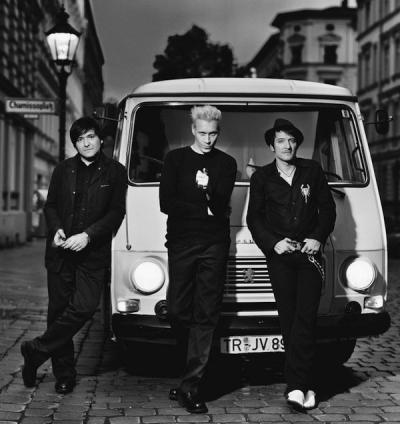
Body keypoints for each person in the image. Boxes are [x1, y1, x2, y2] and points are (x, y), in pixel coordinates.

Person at [20, 117, 127, 394]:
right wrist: (56, 229)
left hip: (92, 254)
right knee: (58, 312)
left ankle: (36, 350)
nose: (86, 143)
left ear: (100, 139)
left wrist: (88, 236)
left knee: (85, 307)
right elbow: (51, 206)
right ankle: (64, 374)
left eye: (90, 136)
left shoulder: (115, 172)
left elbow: (116, 212)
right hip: (61, 253)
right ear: (75, 144)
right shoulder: (62, 169)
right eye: (80, 139)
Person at [246, 118, 336, 411]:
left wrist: (318, 237)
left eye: (292, 140)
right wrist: (274, 243)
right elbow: (254, 218)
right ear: (271, 146)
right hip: (280, 258)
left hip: (309, 257)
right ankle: (303, 385)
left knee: (305, 318)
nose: (287, 146)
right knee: (289, 319)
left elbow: (327, 209)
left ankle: (297, 385)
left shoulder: (312, 170)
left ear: (297, 144)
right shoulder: (261, 178)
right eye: (281, 141)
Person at [159, 105, 237, 413]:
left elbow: (219, 206)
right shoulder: (175, 159)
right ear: (193, 130)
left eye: (213, 134)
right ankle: (188, 376)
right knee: (178, 311)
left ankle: (191, 386)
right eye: (202, 133)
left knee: (206, 313)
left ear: (219, 132)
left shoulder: (227, 163)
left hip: (214, 246)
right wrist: (202, 207)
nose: (207, 139)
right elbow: (166, 203)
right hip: (181, 244)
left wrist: (205, 191)